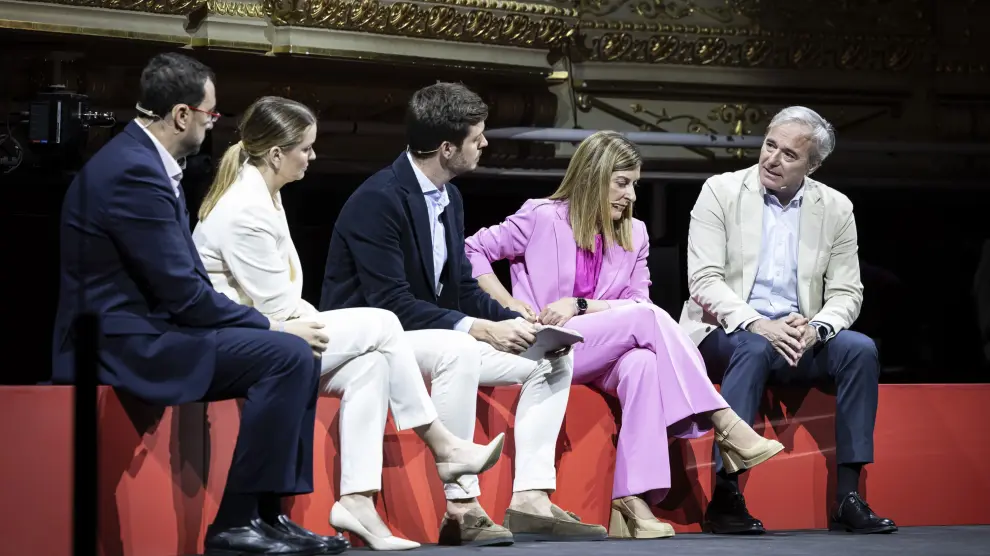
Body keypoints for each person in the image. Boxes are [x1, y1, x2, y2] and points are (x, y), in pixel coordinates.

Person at [50, 53, 345, 556]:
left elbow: (182, 286)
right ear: (183, 115)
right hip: (123, 342)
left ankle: (268, 515)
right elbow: (182, 293)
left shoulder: (144, 162)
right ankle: (236, 521)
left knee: (293, 355)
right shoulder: (132, 172)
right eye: (211, 114)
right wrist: (270, 326)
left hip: (153, 328)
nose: (214, 124)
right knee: (286, 353)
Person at [192, 95, 505, 550]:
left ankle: (357, 501)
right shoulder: (246, 210)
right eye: (305, 148)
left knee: (372, 365)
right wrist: (344, 328)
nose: (313, 156)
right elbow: (280, 308)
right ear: (277, 154)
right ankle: (444, 446)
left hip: (273, 329)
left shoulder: (265, 196)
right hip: (250, 342)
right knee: (381, 323)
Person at [319, 82, 606, 546]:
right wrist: (479, 328)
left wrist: (515, 321)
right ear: (447, 148)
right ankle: (462, 507)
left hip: (426, 333)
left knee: (552, 356)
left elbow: (461, 289)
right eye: (477, 138)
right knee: (458, 348)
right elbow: (390, 305)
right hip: (373, 342)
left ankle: (530, 499)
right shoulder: (379, 199)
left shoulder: (449, 197)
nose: (485, 144)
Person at [464, 130, 784, 539]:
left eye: (635, 183)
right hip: (546, 346)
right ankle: (723, 420)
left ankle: (632, 500)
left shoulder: (636, 234)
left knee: (643, 363)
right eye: (622, 182)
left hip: (601, 351)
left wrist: (581, 306)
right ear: (593, 177)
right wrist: (506, 305)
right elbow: (472, 250)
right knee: (647, 322)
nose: (631, 194)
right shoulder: (541, 215)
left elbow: (638, 303)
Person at [680, 106, 897, 535]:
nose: (772, 159)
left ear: (813, 165)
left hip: (799, 336)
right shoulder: (720, 191)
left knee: (859, 349)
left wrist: (818, 328)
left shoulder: (835, 207)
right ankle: (726, 496)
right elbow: (703, 280)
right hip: (726, 332)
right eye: (769, 145)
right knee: (755, 345)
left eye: (789, 155)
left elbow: (847, 292)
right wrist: (758, 323)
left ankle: (849, 497)